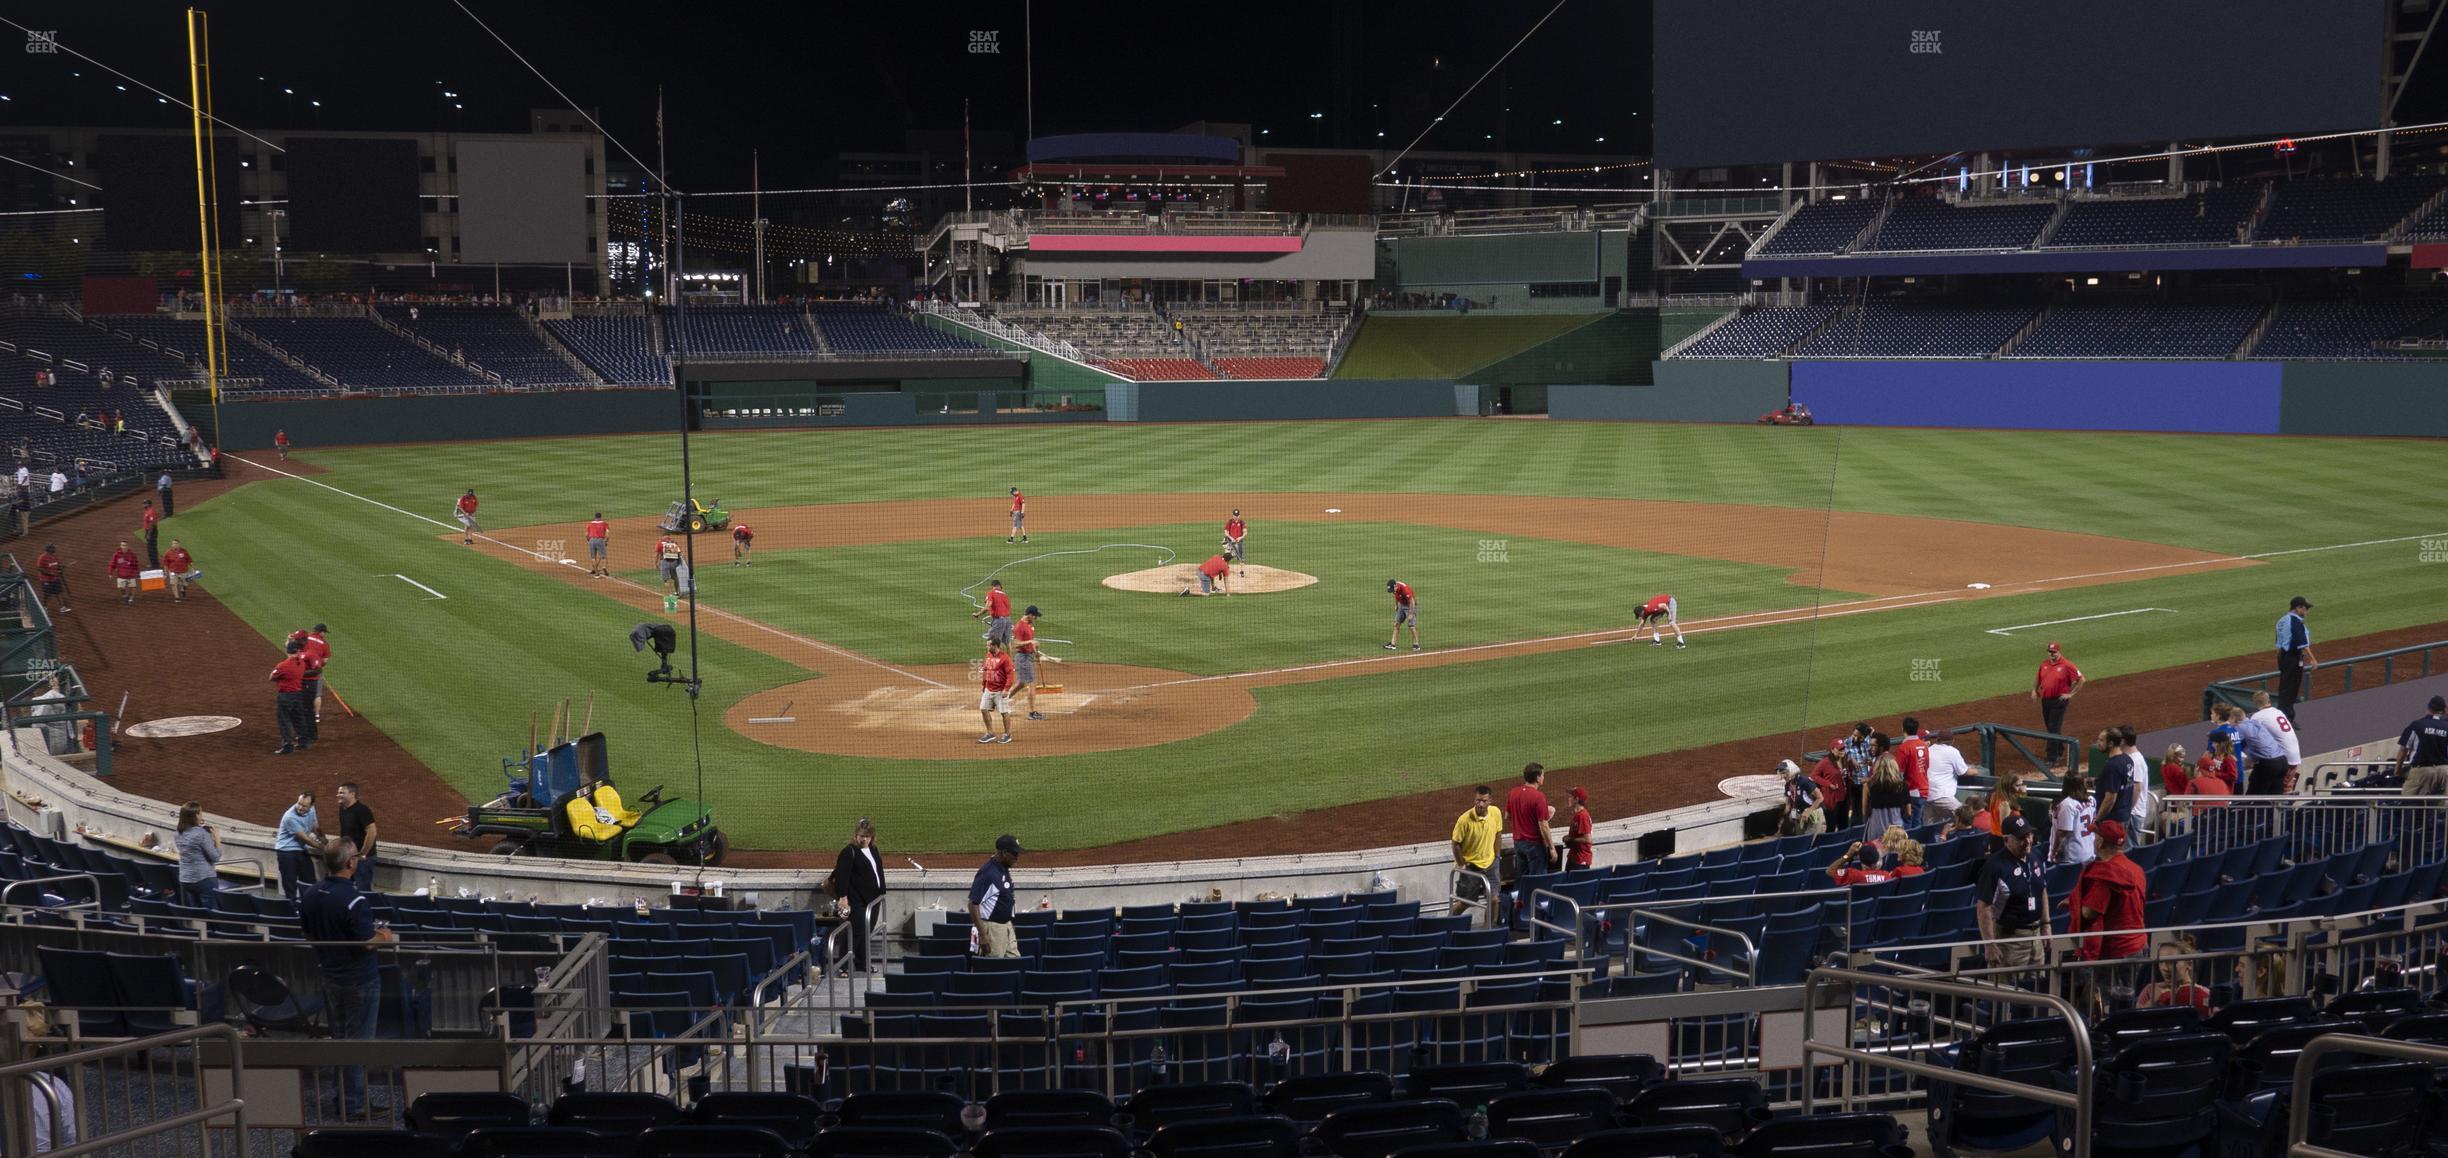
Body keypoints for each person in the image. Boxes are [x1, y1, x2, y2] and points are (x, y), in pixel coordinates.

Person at [300, 839, 394, 1117]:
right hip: (359, 980)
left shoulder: (311, 894)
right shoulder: (355, 899)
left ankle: (345, 1099)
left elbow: (308, 934)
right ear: (350, 863)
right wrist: (385, 937)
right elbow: (367, 943)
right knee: (357, 1044)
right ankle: (353, 1105)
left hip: (330, 977)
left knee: (340, 1040)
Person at [2071, 820, 2149, 1012]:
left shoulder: (2106, 875)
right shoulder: (2137, 869)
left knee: (2107, 1009)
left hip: (2115, 952)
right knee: (2134, 1004)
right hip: (2138, 945)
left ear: (2100, 842)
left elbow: (2090, 912)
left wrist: (2075, 903)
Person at [1976, 815, 2048, 970]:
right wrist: (1989, 944)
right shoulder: (1994, 866)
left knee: (2036, 989)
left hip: (2036, 937)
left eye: (2029, 835)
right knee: (2007, 991)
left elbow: (2042, 889)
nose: (2028, 841)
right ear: (2006, 840)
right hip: (2010, 940)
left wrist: (2046, 924)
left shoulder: (2036, 856)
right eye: (2021, 838)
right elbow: (1984, 906)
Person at [831, 818, 886, 974]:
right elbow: (842, 876)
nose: (864, 839)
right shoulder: (849, 852)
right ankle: (843, 965)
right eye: (861, 836)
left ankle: (862, 964)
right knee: (855, 933)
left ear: (872, 837)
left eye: (867, 836)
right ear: (855, 835)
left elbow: (877, 872)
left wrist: (881, 893)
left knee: (866, 932)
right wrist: (843, 897)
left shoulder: (873, 850)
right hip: (857, 901)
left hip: (873, 899)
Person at [1450, 785, 1503, 926]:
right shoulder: (1464, 820)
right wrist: (1462, 864)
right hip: (1471, 866)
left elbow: (1498, 834)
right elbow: (1455, 844)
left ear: (1490, 800)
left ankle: (1489, 931)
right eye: (1478, 800)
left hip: (1491, 863)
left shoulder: (1496, 813)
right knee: (1466, 902)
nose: (1480, 804)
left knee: (1494, 900)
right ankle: (1448, 923)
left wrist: (1497, 856)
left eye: (1484, 801)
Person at [2032, 642, 2085, 770]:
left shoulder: (2067, 665)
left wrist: (2070, 694)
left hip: (2059, 700)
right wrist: (2034, 690)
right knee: (2050, 726)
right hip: (2045, 700)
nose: (2052, 655)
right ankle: (2060, 749)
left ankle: (2052, 758)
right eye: (2050, 652)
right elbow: (2038, 678)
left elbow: (2082, 679)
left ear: (2059, 652)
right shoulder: (2044, 664)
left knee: (2053, 728)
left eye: (2054, 652)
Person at [969, 834, 1022, 957]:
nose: (1017, 857)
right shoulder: (988, 873)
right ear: (1004, 853)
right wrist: (983, 935)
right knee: (994, 970)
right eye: (1014, 854)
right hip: (993, 930)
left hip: (1006, 927)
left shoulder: (1002, 868)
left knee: (1016, 964)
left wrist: (1009, 923)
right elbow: (973, 904)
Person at [2241, 690, 2302, 795]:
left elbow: (2252, 737)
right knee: (2283, 791)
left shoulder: (2258, 716)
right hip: (2295, 756)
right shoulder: (2278, 711)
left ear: (2255, 703)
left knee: (2279, 792)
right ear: (2269, 700)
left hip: (2283, 758)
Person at [2135, 936, 2214, 1016]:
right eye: (2161, 962)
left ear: (2189, 964)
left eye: (2171, 962)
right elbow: (2137, 1020)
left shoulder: (2205, 994)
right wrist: (2152, 1001)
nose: (2164, 968)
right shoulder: (2150, 990)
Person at [563, 766, 642, 842]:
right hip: (589, 827)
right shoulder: (575, 805)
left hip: (606, 820)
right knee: (617, 828)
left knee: (638, 818)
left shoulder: (605, 790)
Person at [1011, 605, 1062, 721]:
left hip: (1028, 656)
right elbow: (1016, 644)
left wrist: (1036, 652)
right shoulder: (1020, 626)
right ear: (1029, 615)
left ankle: (1002, 700)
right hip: (1022, 657)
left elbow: (1031, 643)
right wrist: (1030, 641)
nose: (1035, 618)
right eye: (1034, 616)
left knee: (1021, 683)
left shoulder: (1029, 625)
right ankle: (1032, 713)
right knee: (1032, 683)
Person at [1506, 763, 1555, 879]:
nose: (1543, 777)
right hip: (1534, 845)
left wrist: (1523, 821)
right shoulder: (1539, 796)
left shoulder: (1513, 792)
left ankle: (1519, 897)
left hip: (1518, 843)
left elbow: (1507, 816)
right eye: (1543, 775)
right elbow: (1544, 825)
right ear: (1538, 778)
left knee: (1522, 879)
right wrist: (1552, 848)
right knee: (1538, 880)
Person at [275, 790, 325, 902]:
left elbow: (315, 826)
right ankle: (292, 910)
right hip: (286, 852)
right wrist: (324, 848)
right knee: (290, 884)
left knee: (310, 881)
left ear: (311, 805)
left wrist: (323, 838)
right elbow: (306, 838)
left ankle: (309, 906)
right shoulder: (290, 817)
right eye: (299, 803)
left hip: (301, 850)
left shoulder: (312, 810)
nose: (300, 808)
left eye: (304, 806)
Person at [2274, 596, 2315, 723]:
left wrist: (2281, 660)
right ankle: (2287, 719)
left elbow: (2278, 644)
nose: (2307, 611)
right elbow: (2303, 645)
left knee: (2284, 688)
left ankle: (2283, 717)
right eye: (2305, 608)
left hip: (2283, 657)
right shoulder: (2296, 622)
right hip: (2293, 658)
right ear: (2298, 608)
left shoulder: (2282, 620)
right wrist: (2313, 660)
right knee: (2291, 689)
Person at [174, 802, 221, 909]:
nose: (202, 815)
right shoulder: (201, 834)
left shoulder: (178, 833)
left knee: (195, 912)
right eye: (200, 813)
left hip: (185, 879)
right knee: (211, 912)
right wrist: (217, 840)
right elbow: (216, 857)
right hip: (204, 878)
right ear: (196, 815)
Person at [2399, 696, 2448, 797]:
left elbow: (2403, 749)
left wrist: (2398, 769)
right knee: (2443, 806)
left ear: (2428, 708)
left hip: (2421, 770)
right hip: (2444, 771)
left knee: (2408, 802)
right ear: (2443, 710)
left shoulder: (2417, 725)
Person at [270, 638, 313, 754]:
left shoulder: (283, 666)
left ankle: (288, 745)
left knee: (284, 720)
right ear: (297, 651)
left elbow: (271, 677)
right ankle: (303, 742)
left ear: (287, 651)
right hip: (298, 695)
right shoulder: (301, 663)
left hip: (286, 696)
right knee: (299, 718)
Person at [1861, 746, 1911, 838]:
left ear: (1877, 767)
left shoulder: (1868, 786)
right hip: (1897, 830)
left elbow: (1865, 812)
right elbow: (1908, 812)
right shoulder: (1903, 785)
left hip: (1876, 830)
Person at [335, 783, 377, 888]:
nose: (338, 795)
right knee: (347, 886)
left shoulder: (362, 810)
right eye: (338, 792)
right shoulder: (343, 808)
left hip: (362, 860)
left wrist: (363, 853)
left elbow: (372, 832)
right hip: (348, 857)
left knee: (363, 889)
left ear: (352, 794)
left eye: (342, 793)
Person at [2050, 773, 2098, 866]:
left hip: (2074, 856)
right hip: (2090, 850)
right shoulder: (2092, 799)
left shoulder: (2067, 804)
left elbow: (2062, 833)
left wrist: (2053, 851)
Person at [2094, 728, 2135, 830]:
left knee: (2106, 846)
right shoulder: (2127, 759)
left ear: (2111, 744)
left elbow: (2110, 798)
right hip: (2124, 816)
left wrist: (2097, 820)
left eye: (2101, 740)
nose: (2098, 743)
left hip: (2112, 821)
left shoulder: (2112, 766)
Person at [977, 639, 1017, 744]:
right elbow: (986, 670)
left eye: (988, 645)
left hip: (1000, 690)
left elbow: (1010, 675)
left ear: (995, 646)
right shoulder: (989, 655)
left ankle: (1007, 734)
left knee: (1004, 712)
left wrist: (1006, 689)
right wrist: (984, 685)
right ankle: (990, 733)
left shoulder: (1005, 658)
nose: (987, 647)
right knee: (983, 709)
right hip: (988, 689)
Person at [1926, 728, 1968, 825]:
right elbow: (1964, 772)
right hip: (1942, 796)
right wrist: (1975, 771)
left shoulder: (1928, 750)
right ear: (1953, 741)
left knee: (1931, 828)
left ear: (1937, 740)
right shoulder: (1952, 751)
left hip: (1926, 796)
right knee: (1966, 817)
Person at [1811, 744, 1855, 831]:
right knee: (1831, 825)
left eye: (1843, 749)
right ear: (1832, 750)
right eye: (1839, 749)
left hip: (1844, 797)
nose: (1842, 751)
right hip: (1832, 798)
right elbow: (1814, 776)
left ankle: (1842, 843)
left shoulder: (1845, 760)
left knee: (1843, 825)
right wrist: (1828, 784)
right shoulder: (1825, 762)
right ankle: (1830, 843)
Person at [1894, 717, 1931, 813]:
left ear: (1903, 729)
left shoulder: (1903, 748)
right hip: (1924, 789)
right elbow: (1926, 765)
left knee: (1908, 823)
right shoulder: (1923, 745)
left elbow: (1898, 773)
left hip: (1912, 792)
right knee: (1918, 822)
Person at [1780, 759, 1826, 835]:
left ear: (1792, 770)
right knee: (1799, 837)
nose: (1783, 776)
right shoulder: (1788, 785)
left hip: (1814, 812)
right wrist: (1785, 813)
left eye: (1784, 773)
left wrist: (1809, 811)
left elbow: (1820, 797)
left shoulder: (1804, 781)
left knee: (1809, 839)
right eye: (1781, 774)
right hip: (1799, 813)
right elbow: (1788, 800)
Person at [1826, 839, 1897, 886]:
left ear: (1861, 860)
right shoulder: (1887, 876)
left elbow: (1829, 871)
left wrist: (1848, 855)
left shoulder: (1853, 875)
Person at [303, 624, 331, 723]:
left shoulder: (305, 638)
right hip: (315, 671)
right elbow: (325, 660)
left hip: (300, 669)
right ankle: (316, 715)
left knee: (298, 691)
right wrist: (318, 664)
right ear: (321, 632)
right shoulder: (324, 643)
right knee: (317, 694)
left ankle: (300, 713)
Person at [972, 577, 1013, 644]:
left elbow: (987, 607)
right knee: (1007, 643)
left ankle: (994, 655)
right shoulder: (1004, 595)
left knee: (991, 642)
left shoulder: (991, 593)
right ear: (999, 586)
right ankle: (1008, 655)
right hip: (1008, 620)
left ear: (993, 586)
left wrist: (977, 614)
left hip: (999, 620)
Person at [1384, 579, 1421, 651]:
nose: (1392, 591)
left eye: (1392, 589)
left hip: (1410, 606)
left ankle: (1416, 645)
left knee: (1411, 626)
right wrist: (1396, 605)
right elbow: (1396, 596)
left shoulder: (1405, 589)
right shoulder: (1394, 589)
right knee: (1396, 624)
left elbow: (1412, 601)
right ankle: (1393, 644)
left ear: (1395, 586)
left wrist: (1410, 613)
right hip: (1401, 605)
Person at [1563, 786, 1594, 869]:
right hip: (1574, 857)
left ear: (1576, 799)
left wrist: (1570, 839)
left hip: (1580, 859)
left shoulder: (1582, 816)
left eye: (1571, 796)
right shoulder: (1578, 815)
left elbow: (1587, 839)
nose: (1568, 798)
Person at [34, 543, 68, 614]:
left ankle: (62, 608)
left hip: (55, 578)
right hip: (46, 579)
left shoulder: (54, 556)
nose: (55, 549)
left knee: (59, 593)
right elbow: (40, 568)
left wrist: (61, 567)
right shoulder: (42, 558)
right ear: (49, 549)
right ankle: (44, 607)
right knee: (47, 594)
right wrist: (50, 573)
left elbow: (57, 565)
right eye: (53, 548)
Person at [161, 539, 194, 603]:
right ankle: (177, 597)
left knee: (185, 584)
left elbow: (189, 560)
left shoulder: (184, 551)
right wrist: (165, 573)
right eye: (173, 543)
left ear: (179, 544)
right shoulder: (168, 552)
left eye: (176, 543)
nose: (174, 545)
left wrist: (193, 568)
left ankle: (183, 590)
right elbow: (165, 563)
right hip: (173, 572)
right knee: (173, 584)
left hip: (183, 571)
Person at [584, 512, 611, 577]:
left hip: (591, 540)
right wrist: (606, 541)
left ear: (595, 517)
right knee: (603, 556)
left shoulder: (590, 524)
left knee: (593, 557)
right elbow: (607, 533)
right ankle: (604, 567)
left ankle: (596, 573)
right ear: (600, 517)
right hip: (600, 540)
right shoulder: (604, 524)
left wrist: (589, 541)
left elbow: (586, 534)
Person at [1224, 509, 1247, 573]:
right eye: (1235, 515)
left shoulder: (1242, 522)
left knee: (1241, 556)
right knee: (1227, 555)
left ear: (1239, 515)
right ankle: (1226, 569)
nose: (1236, 517)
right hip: (1230, 542)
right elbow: (1226, 532)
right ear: (1233, 515)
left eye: (1237, 515)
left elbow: (1245, 532)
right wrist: (1231, 538)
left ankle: (1242, 571)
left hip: (1239, 542)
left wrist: (1240, 537)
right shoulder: (1230, 522)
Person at [138, 499, 160, 568]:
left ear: (149, 504)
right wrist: (146, 533)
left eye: (145, 503)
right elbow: (146, 524)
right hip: (149, 531)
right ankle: (153, 564)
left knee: (152, 548)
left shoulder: (151, 511)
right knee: (150, 549)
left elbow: (152, 524)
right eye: (143, 503)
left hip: (152, 531)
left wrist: (149, 534)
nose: (143, 505)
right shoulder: (147, 511)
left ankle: (155, 565)